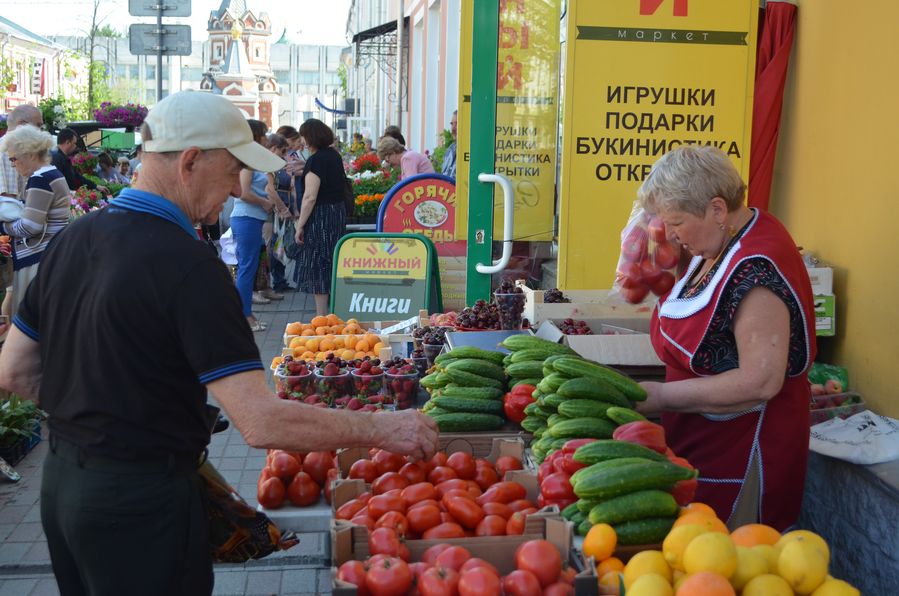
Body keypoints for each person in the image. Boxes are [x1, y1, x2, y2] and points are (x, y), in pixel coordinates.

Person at [0, 90, 439, 596]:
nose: (236, 190)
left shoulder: (75, 239)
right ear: (190, 161)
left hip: (63, 488)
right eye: (233, 172)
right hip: (144, 504)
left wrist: (99, 419)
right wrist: (384, 428)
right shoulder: (189, 265)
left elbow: (14, 371)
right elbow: (261, 420)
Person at [635, 145, 817, 531]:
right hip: (699, 442)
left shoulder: (757, 272)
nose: (669, 233)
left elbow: (761, 380)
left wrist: (662, 396)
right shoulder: (717, 241)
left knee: (730, 568)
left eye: (677, 221)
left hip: (742, 452)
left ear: (717, 210)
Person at [0, 125, 71, 315]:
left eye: (14, 158)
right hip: (51, 253)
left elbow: (30, 226)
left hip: (37, 259)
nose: (13, 164)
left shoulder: (40, 178)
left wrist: (3, 226)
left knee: (29, 318)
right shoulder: (53, 173)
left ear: (30, 154)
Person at [230, 119, 281, 331]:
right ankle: (245, 317)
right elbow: (243, 192)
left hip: (253, 218)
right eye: (265, 133)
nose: (267, 137)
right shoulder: (247, 160)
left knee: (249, 267)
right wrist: (265, 202)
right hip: (246, 217)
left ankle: (246, 315)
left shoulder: (255, 158)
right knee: (247, 268)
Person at [293, 118, 347, 316]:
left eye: (304, 136)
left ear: (310, 137)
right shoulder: (334, 156)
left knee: (319, 264)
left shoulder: (315, 161)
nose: (302, 141)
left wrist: (300, 225)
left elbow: (309, 197)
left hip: (321, 218)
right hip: (336, 213)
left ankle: (321, 317)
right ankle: (332, 313)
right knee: (333, 260)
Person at [265, 133, 295, 292]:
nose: (285, 155)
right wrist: (282, 208)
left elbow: (290, 187)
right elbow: (269, 189)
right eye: (282, 151)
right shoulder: (268, 165)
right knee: (271, 247)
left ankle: (278, 281)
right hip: (272, 211)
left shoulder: (280, 164)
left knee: (278, 245)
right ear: (274, 148)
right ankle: (270, 283)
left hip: (281, 208)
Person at [0, 104, 43, 199]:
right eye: (38, 125)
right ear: (21, 124)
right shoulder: (7, 149)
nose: (39, 131)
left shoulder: (14, 146)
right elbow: (7, 201)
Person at [50, 128, 108, 194]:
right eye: (74, 143)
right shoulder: (56, 158)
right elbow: (57, 184)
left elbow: (77, 176)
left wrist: (95, 186)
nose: (75, 146)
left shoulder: (62, 157)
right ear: (68, 142)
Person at [441, 110, 458, 179]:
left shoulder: (472, 151)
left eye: (457, 124)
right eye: (452, 124)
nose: (453, 128)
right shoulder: (450, 150)